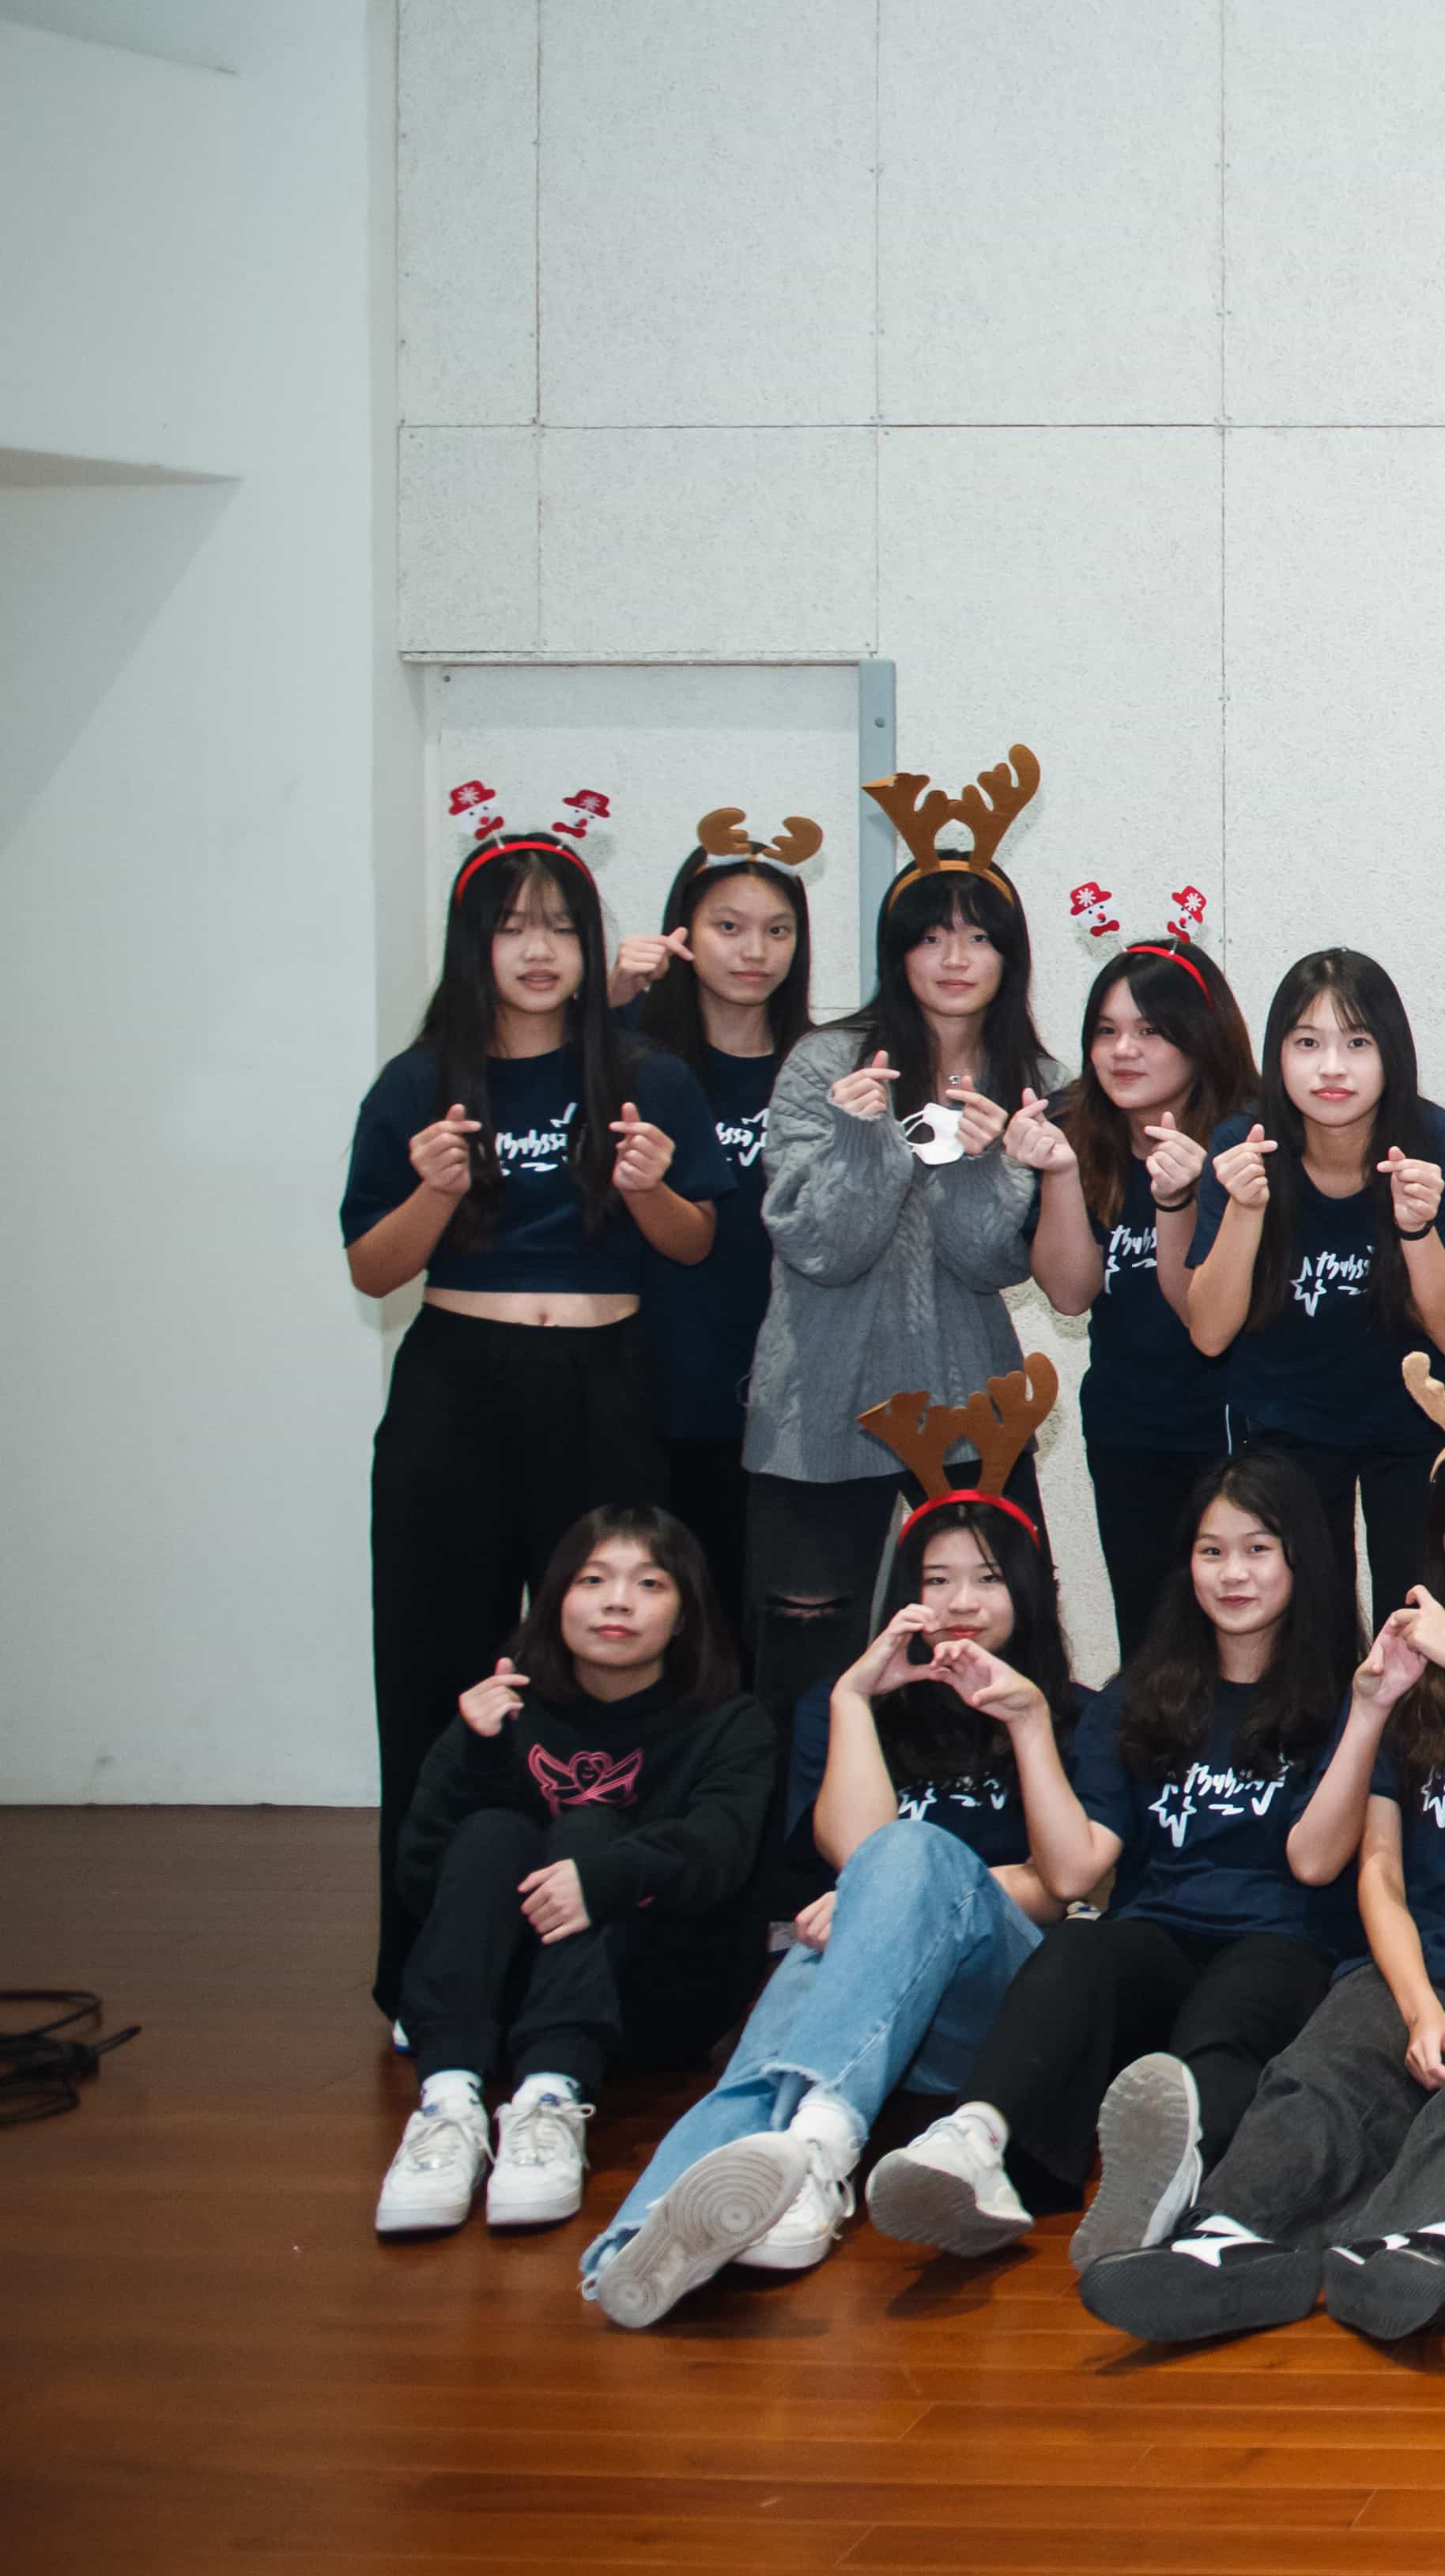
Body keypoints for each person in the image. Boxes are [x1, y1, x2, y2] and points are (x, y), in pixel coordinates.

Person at [1081, 1375, 1445, 2346]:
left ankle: (1423, 2244)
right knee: (1321, 2072)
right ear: (1437, 1536)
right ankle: (1228, 2239)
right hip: (1410, 1959)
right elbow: (1376, 1871)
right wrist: (1418, 2006)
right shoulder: (1400, 1677)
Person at [579, 1386, 1111, 2324]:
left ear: (1028, 1591)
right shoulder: (847, 1707)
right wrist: (855, 1701)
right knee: (811, 1964)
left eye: (986, 1578)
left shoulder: (1079, 1713)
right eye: (935, 1580)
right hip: (867, 2007)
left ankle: (816, 2156)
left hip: (995, 2010)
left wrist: (1026, 1723)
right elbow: (860, 1854)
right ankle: (656, 2231)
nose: (960, 1601)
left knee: (889, 1878)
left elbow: (1067, 1882)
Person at [346, 813, 725, 2010]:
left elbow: (696, 1241)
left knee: (613, 1671)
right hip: (456, 1386)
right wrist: (430, 1192)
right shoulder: (419, 1081)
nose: (540, 951)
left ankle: (593, 1964)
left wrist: (650, 1187)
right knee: (435, 1671)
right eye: (512, 929)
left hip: (606, 1385)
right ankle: (425, 1972)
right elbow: (371, 1268)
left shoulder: (647, 1075)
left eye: (562, 927)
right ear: (475, 945)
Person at [862, 1452, 1360, 2266]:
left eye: (1258, 1549)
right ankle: (975, 2142)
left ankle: (1176, 2180)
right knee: (1077, 1945)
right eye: (1211, 1551)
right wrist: (1029, 1722)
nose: (1232, 1573)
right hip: (1159, 1936)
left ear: (1302, 1559)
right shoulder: (1140, 1694)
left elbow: (1318, 1864)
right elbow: (1072, 1874)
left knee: (1232, 2008)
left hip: (1287, 1943)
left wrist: (1369, 1711)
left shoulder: (1352, 1696)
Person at [741, 783, 1052, 1729]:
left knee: (987, 1653)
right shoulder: (823, 1063)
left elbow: (991, 1263)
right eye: (931, 937)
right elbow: (823, 1249)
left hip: (973, 1413)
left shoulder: (1037, 1084)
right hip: (820, 1408)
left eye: (980, 937)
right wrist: (864, 1141)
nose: (955, 959)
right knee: (809, 1660)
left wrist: (984, 1163)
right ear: (896, 952)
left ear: (1011, 955)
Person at [373, 1510, 775, 2237]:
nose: (617, 1601)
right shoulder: (503, 1709)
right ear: (555, 1599)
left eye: (649, 1583)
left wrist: (604, 1876)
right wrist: (480, 1757)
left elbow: (719, 1855)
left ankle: (551, 2100)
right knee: (493, 1830)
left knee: (590, 1832)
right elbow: (423, 1878)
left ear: (685, 1615)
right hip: (502, 2000)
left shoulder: (729, 1721)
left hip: (650, 2000)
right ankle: (447, 2103)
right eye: (593, 1580)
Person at [1164, 946, 1445, 1621]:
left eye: (1358, 1042)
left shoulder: (1439, 1143)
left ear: (1392, 1051)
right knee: (1306, 1628)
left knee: (1421, 1620)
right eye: (1308, 1042)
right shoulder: (1242, 1143)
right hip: (1287, 1422)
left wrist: (1416, 1230)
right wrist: (1245, 1211)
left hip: (1420, 1420)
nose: (1333, 1067)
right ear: (1277, 1053)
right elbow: (1209, 1334)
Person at [613, 813, 820, 1610]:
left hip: (793, 1394)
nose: (754, 950)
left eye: (778, 929)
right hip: (659, 1382)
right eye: (727, 927)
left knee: (775, 1621)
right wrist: (608, 1003)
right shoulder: (634, 1062)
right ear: (682, 934)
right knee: (664, 1613)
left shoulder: (824, 1065)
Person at [1030, 919, 1254, 1653]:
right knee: (1150, 1636)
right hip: (1126, 1426)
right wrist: (1060, 1174)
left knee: (1247, 1636)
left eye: (1150, 1030)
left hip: (1235, 1428)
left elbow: (1205, 1319)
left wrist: (1180, 1199)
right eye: (1105, 1030)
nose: (1122, 1051)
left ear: (1201, 1039)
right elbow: (1070, 1295)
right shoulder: (1075, 1127)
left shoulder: (1245, 1142)